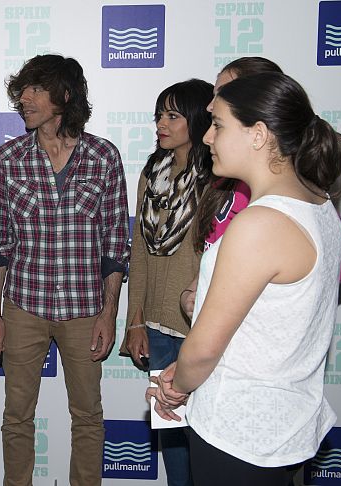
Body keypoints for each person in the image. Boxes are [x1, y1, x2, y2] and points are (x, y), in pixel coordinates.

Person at [148, 72, 341, 486]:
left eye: (219, 125)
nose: (207, 138)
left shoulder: (259, 223)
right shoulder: (319, 205)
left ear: (258, 135)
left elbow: (204, 349)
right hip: (283, 428)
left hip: (239, 433)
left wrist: (176, 384)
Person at [0, 54, 129, 486]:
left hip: (86, 309)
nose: (23, 98)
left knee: (88, 416)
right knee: (17, 416)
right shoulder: (8, 158)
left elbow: (115, 245)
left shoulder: (103, 156)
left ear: (64, 95)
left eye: (34, 89)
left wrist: (108, 313)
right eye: (21, 90)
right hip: (24, 306)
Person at [181, 57, 341, 317]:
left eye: (221, 93)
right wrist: (196, 289)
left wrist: (255, 292)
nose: (210, 105)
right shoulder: (227, 178)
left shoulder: (285, 199)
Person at [120, 78, 213, 486]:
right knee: (173, 440)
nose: (161, 123)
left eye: (172, 115)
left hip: (202, 330)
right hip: (156, 329)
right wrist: (135, 320)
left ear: (197, 120)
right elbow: (139, 252)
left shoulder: (220, 179)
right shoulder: (151, 173)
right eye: (160, 114)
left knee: (209, 440)